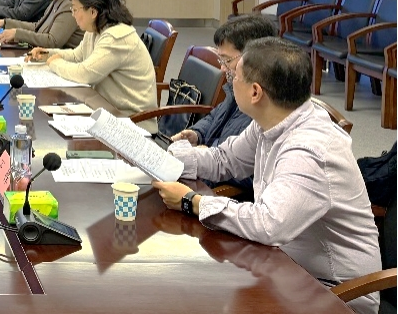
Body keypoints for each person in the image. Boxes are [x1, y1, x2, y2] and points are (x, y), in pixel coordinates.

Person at [153, 37, 381, 314]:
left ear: (255, 92)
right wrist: (164, 158)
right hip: (284, 265)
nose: (229, 80)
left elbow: (268, 224)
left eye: (235, 77)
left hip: (336, 293)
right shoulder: (273, 120)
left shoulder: (309, 150)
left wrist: (192, 202)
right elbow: (225, 160)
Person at [168, 15, 277, 200]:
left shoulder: (261, 108)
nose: (223, 69)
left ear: (252, 58)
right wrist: (197, 134)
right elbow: (214, 116)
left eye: (227, 60)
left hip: (219, 194)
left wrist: (206, 151)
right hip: (206, 174)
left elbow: (249, 172)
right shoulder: (238, 89)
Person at [27, 0, 157, 127]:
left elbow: (85, 74)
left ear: (93, 12)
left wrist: (55, 63)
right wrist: (48, 54)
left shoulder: (116, 37)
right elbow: (77, 56)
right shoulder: (95, 29)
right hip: (106, 110)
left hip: (132, 122)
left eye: (75, 9)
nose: (73, 15)